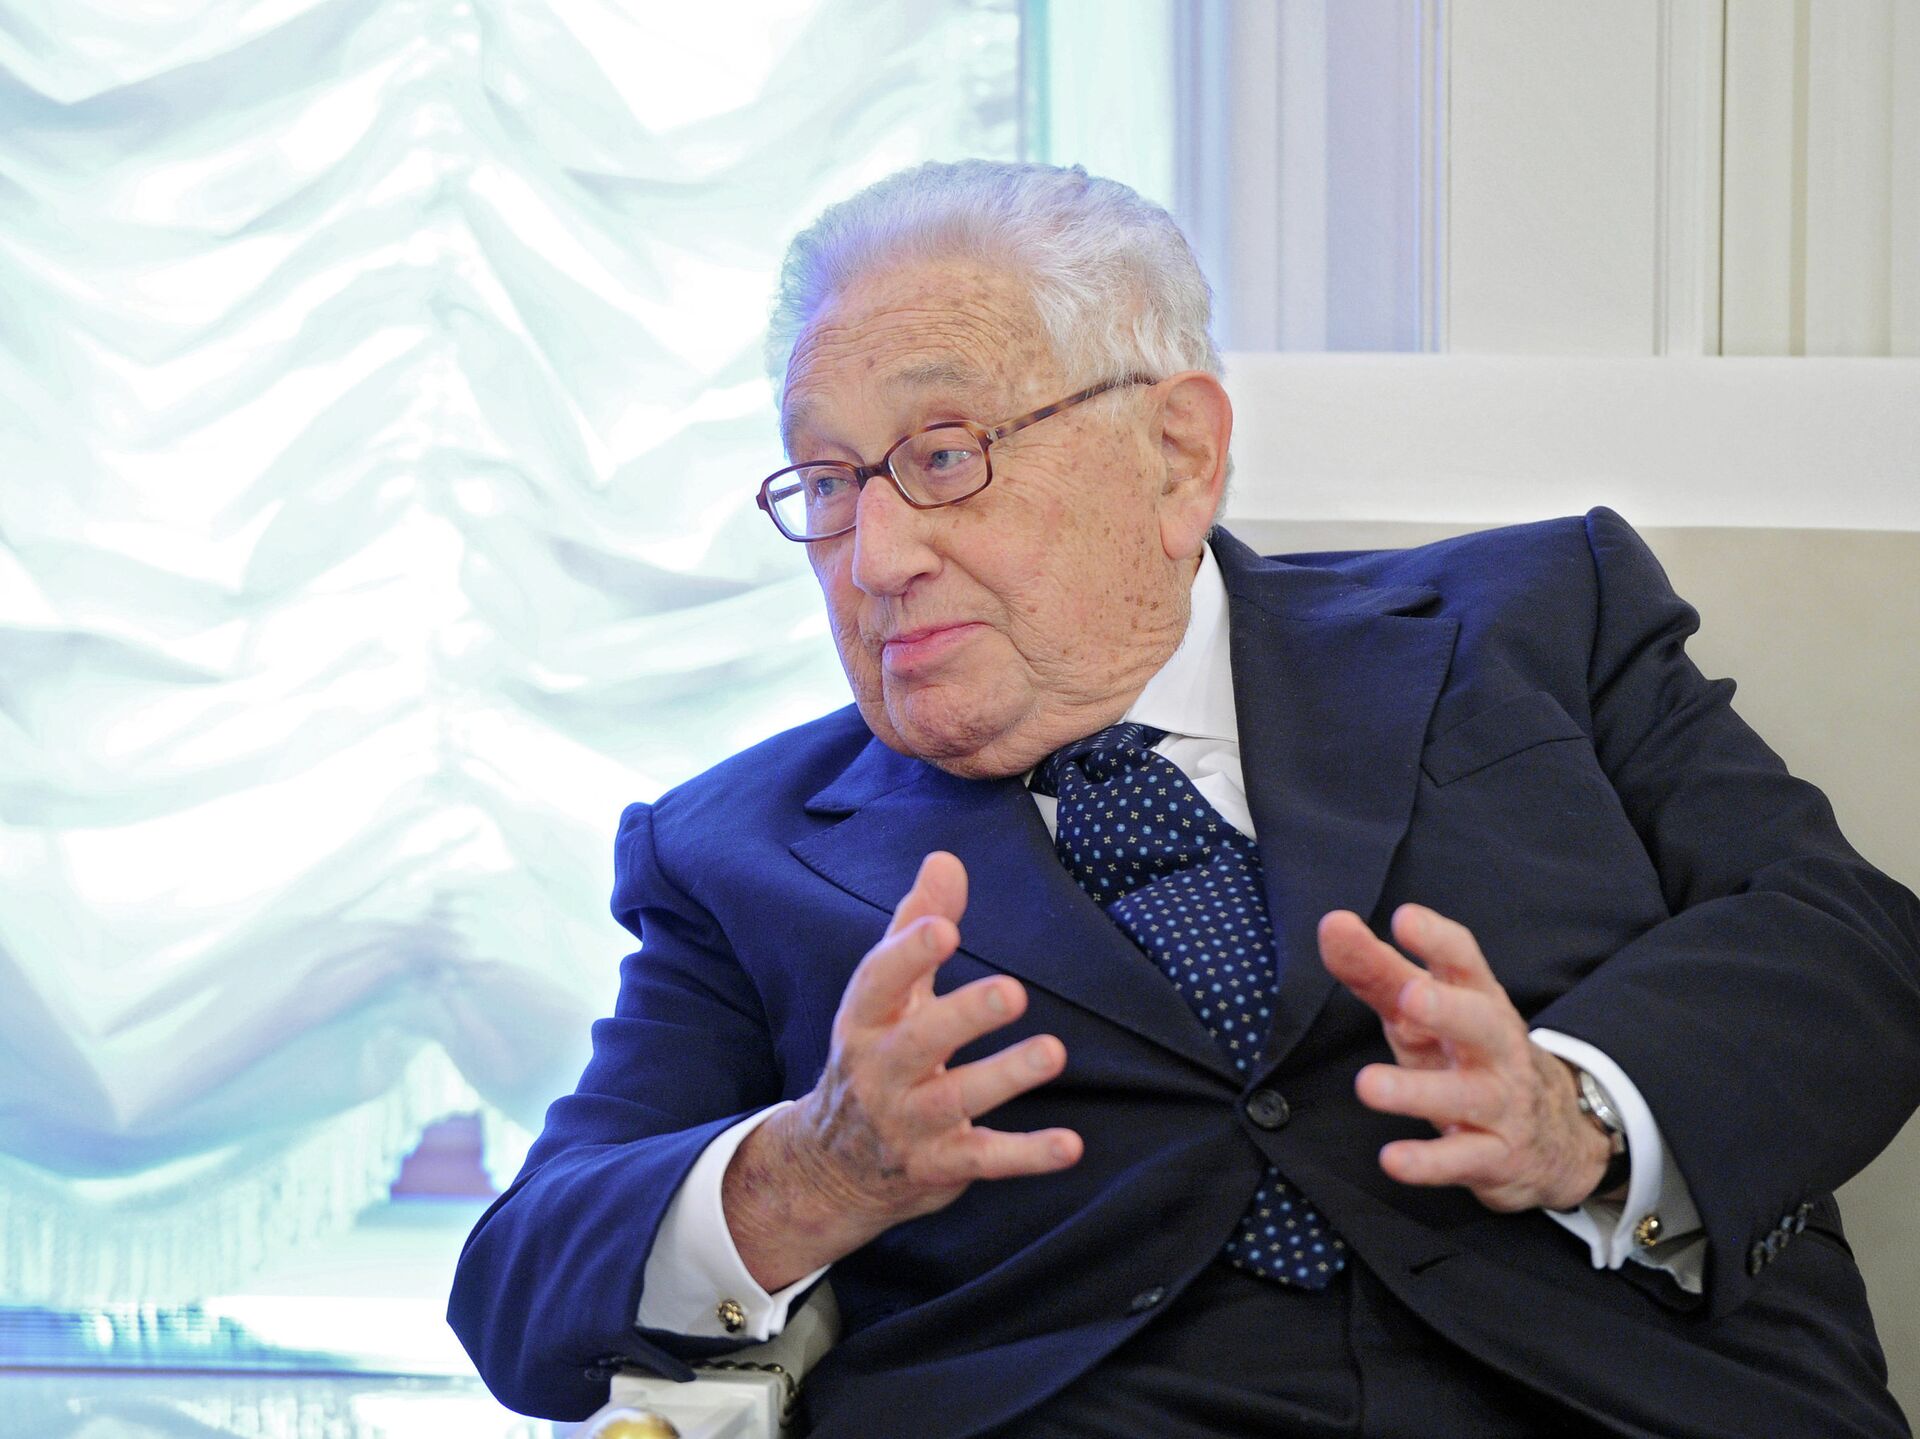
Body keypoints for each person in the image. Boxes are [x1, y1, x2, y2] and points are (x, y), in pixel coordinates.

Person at [448, 160, 1920, 1438]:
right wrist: (812, 1175)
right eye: (827, 485)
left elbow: (1847, 941)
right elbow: (521, 1289)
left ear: (1177, 456)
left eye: (943, 457)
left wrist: (1577, 1116)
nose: (876, 557)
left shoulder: (1531, 621)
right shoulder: (740, 851)